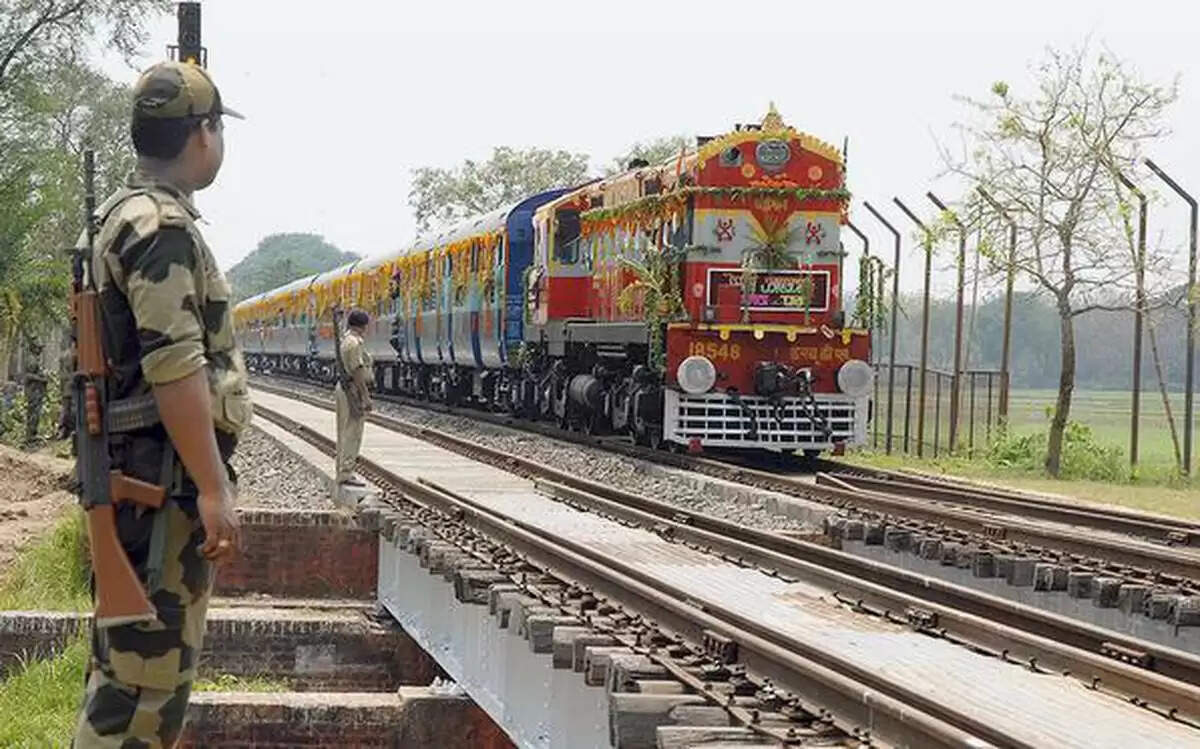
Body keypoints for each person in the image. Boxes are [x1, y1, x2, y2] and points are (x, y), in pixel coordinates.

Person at [72, 59, 249, 748]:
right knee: (142, 695)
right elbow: (175, 366)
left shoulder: (120, 216)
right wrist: (212, 486)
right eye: (217, 128)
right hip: (162, 488)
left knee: (130, 683)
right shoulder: (159, 229)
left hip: (141, 481)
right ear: (202, 135)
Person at [335, 308, 373, 487]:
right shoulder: (355, 343)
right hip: (352, 390)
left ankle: (342, 470)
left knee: (344, 429)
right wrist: (365, 396)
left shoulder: (346, 340)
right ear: (363, 325)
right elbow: (358, 370)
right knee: (353, 431)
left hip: (345, 388)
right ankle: (346, 472)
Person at [23, 337, 48, 446]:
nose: (40, 351)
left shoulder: (35, 359)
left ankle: (33, 434)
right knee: (33, 413)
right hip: (33, 391)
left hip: (36, 390)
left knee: (35, 413)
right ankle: (30, 436)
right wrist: (41, 379)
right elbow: (28, 376)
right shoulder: (31, 360)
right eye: (38, 348)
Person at [57, 331, 77, 442]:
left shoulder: (63, 355)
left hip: (65, 385)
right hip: (73, 384)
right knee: (73, 408)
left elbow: (61, 374)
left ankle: (62, 431)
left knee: (65, 409)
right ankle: (72, 431)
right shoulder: (75, 354)